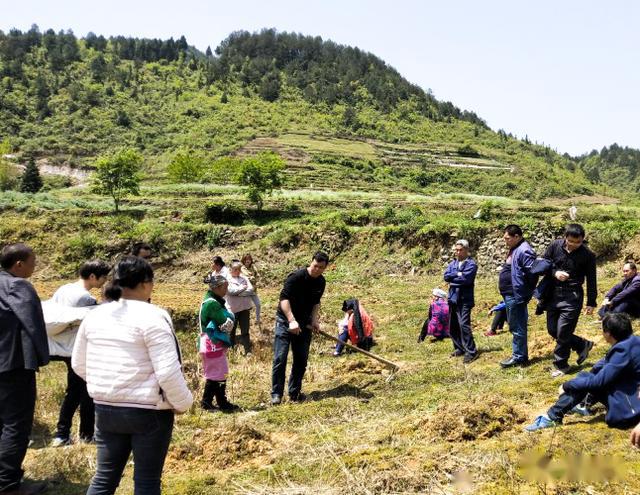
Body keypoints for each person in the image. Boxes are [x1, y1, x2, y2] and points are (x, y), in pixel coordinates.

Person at [72, 256, 193, 495]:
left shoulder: (95, 315)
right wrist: (182, 403)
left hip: (106, 408)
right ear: (146, 284)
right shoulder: (154, 316)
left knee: (104, 478)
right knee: (147, 481)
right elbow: (168, 371)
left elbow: (79, 363)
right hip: (148, 412)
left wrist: (107, 388)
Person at [525, 313, 640, 431]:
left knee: (585, 381)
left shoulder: (622, 350)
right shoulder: (633, 342)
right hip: (632, 395)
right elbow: (603, 363)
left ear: (608, 333)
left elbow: (597, 382)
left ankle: (552, 417)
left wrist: (566, 385)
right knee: (585, 377)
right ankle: (583, 404)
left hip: (629, 412)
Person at [0, 243, 49, 495]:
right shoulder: (18, 286)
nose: (35, 266)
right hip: (12, 365)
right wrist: (42, 356)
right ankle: (7, 484)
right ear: (18, 264)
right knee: (15, 424)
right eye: (33, 261)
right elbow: (33, 323)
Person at [49, 260, 111, 447]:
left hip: (62, 346)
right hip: (77, 350)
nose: (104, 281)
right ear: (92, 276)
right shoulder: (85, 300)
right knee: (81, 393)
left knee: (78, 392)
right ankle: (72, 434)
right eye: (103, 277)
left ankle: (70, 434)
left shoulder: (64, 289)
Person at [271, 251, 328, 405]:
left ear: (325, 268)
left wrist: (314, 320)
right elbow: (284, 299)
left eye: (321, 267)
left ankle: (294, 392)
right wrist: (291, 320)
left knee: (301, 359)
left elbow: (316, 303)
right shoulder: (296, 277)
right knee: (280, 358)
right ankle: (276, 394)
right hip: (285, 321)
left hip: (304, 324)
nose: (317, 269)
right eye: (315, 265)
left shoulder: (321, 282)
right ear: (311, 262)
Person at [542, 224, 597, 377]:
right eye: (571, 241)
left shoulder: (587, 255)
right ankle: (582, 344)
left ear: (582, 240)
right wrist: (555, 272)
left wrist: (591, 301)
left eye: (578, 242)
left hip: (572, 295)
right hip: (552, 293)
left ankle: (561, 365)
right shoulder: (554, 246)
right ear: (565, 237)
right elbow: (543, 264)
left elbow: (592, 279)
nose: (573, 245)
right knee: (553, 330)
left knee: (564, 331)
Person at [499, 225, 538, 369]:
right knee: (514, 325)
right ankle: (519, 355)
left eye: (507, 238)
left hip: (516, 295)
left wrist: (525, 291)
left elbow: (532, 273)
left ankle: (519, 357)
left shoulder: (524, 250)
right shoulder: (515, 248)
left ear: (517, 236)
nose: (505, 241)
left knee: (517, 326)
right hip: (510, 294)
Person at [198, 275, 239, 412]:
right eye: (225, 287)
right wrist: (229, 316)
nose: (226, 290)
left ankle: (208, 402)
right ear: (217, 287)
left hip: (210, 342)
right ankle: (221, 403)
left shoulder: (212, 301)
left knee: (216, 372)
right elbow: (226, 322)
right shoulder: (212, 304)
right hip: (212, 342)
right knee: (220, 372)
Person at [443, 240, 479, 364]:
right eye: (456, 250)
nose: (458, 252)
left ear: (466, 250)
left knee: (464, 324)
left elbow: (466, 280)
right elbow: (446, 276)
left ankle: (471, 351)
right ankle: (459, 347)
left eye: (460, 250)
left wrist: (454, 279)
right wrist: (457, 275)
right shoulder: (452, 264)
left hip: (465, 299)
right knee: (453, 325)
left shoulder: (471, 264)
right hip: (453, 298)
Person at [225, 261, 255, 354]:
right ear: (231, 270)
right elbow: (231, 291)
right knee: (231, 331)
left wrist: (238, 293)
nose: (237, 271)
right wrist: (242, 288)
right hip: (233, 309)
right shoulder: (227, 279)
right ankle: (231, 351)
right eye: (235, 269)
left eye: (239, 269)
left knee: (245, 331)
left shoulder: (244, 278)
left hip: (245, 308)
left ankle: (248, 351)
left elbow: (251, 290)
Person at [241, 254, 262, 326]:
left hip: (253, 290)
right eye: (246, 259)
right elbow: (245, 276)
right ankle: (244, 322)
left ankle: (258, 320)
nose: (248, 261)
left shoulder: (253, 267)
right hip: (245, 291)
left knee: (258, 304)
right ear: (243, 260)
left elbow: (258, 276)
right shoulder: (242, 268)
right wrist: (251, 278)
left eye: (249, 259)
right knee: (246, 308)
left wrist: (257, 279)